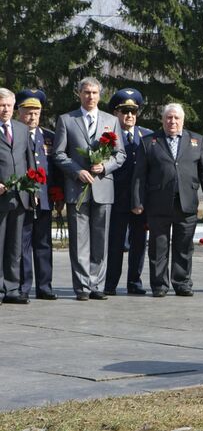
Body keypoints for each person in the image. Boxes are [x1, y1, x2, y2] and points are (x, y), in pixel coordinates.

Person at [131, 103, 203, 297]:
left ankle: (182, 283)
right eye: (168, 118)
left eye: (176, 118)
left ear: (183, 120)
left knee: (184, 245)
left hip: (186, 202)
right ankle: (159, 285)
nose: (172, 121)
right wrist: (137, 202)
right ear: (162, 120)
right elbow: (140, 176)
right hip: (158, 203)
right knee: (158, 246)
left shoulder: (197, 140)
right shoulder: (149, 141)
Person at [54, 77, 126, 301]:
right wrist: (77, 171)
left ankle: (96, 285)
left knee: (100, 239)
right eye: (86, 92)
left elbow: (120, 154)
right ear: (79, 94)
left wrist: (104, 166)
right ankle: (82, 287)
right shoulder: (66, 120)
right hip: (77, 189)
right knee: (79, 241)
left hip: (103, 188)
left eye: (94, 93)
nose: (91, 96)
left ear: (100, 95)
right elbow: (58, 154)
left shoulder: (111, 121)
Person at [104, 88, 152, 296]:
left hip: (140, 200)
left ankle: (134, 281)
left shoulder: (147, 136)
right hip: (116, 198)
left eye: (133, 111)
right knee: (115, 243)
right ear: (116, 113)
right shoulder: (107, 136)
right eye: (124, 111)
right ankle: (111, 283)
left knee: (139, 243)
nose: (129, 116)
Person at [16, 89, 62, 301]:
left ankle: (45, 286)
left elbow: (56, 169)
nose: (32, 117)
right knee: (23, 244)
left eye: (36, 112)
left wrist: (58, 195)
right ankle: (24, 287)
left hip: (45, 199)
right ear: (19, 113)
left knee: (44, 244)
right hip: (22, 200)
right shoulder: (14, 135)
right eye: (27, 112)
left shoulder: (50, 138)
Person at [0, 88, 35, 305]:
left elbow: (29, 161)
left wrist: (33, 190)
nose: (5, 110)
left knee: (15, 245)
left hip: (20, 195)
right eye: (1, 105)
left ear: (14, 107)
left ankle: (12, 288)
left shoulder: (22, 129)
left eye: (8, 106)